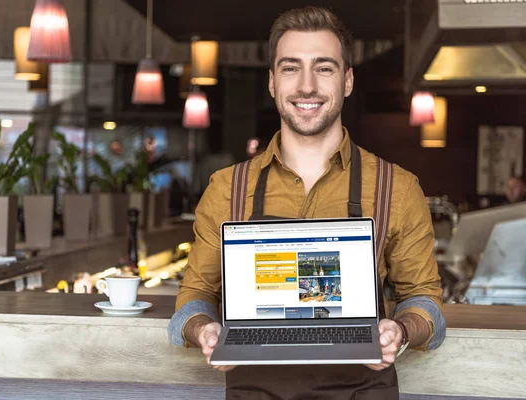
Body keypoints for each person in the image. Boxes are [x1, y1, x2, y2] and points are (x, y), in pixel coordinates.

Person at [168, 6, 445, 399]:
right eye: (290, 67)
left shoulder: (396, 187)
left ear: (347, 80)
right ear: (272, 82)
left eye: (324, 68)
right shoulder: (227, 187)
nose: (307, 86)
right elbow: (192, 298)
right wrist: (204, 329)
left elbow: (426, 302)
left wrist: (400, 330)